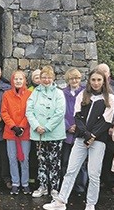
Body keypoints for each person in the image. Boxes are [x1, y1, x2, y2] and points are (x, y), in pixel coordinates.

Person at [43, 68, 114, 210]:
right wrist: (86, 135)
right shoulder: (83, 94)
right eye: (93, 80)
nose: (96, 83)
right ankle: (61, 201)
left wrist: (93, 136)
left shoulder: (109, 98)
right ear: (89, 81)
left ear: (104, 81)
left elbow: (106, 121)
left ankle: (90, 204)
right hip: (81, 139)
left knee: (94, 174)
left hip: (98, 140)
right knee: (71, 170)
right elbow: (78, 117)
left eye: (99, 80)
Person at [25, 66, 66, 198]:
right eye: (44, 77)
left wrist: (47, 127)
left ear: (53, 78)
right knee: (41, 160)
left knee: (54, 161)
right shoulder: (35, 92)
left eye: (49, 77)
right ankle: (42, 186)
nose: (46, 80)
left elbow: (60, 113)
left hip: (54, 133)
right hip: (39, 134)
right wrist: (36, 126)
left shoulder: (59, 93)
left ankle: (54, 188)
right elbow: (29, 111)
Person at [1, 70, 33, 195]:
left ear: (24, 80)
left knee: (24, 159)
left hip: (24, 132)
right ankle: (15, 182)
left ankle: (25, 183)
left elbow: (30, 111)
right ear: (12, 81)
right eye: (16, 79)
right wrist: (13, 127)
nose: (18, 81)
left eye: (21, 79)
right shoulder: (7, 94)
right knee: (12, 158)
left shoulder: (30, 94)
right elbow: (4, 112)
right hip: (11, 132)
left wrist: (22, 127)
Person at [96, 63, 114, 195]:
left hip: (111, 128)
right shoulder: (94, 86)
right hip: (97, 127)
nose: (102, 74)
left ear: (109, 73)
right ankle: (99, 181)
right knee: (98, 154)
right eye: (99, 71)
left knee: (111, 154)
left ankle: (111, 183)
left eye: (104, 72)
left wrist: (112, 125)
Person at [60, 68, 87, 194]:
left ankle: (80, 187)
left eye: (76, 78)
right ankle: (65, 188)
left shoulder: (85, 93)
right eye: (71, 78)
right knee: (65, 161)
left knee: (81, 163)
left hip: (80, 132)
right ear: (68, 80)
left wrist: (78, 126)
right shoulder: (62, 93)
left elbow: (87, 113)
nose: (74, 80)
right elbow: (60, 112)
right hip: (66, 133)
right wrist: (67, 126)